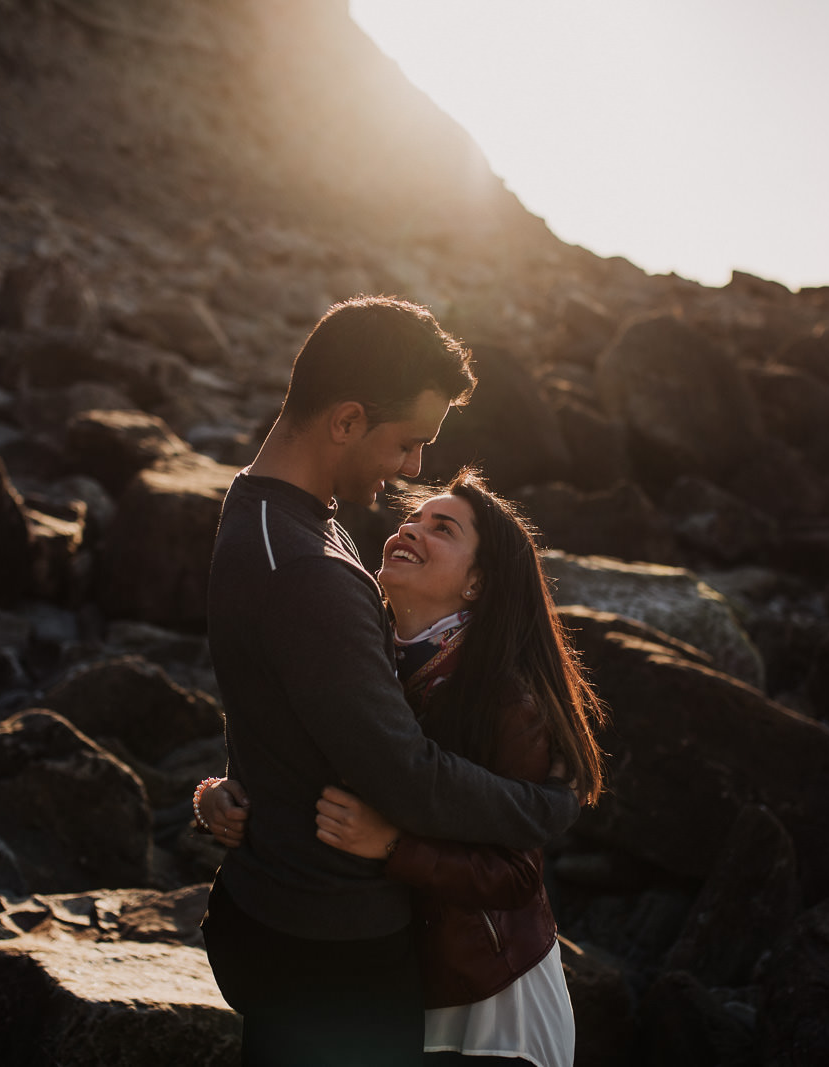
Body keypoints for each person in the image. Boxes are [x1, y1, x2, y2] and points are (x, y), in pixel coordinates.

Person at [200, 296, 582, 1066]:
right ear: (345, 420)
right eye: (409, 444)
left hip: (282, 914)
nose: (413, 469)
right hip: (328, 950)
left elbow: (281, 693)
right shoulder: (310, 568)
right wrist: (541, 807)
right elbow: (404, 776)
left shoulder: (278, 517)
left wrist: (239, 787)